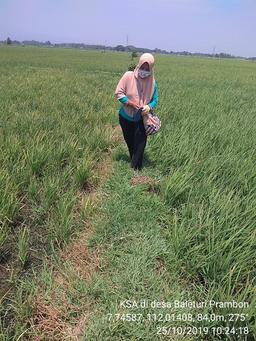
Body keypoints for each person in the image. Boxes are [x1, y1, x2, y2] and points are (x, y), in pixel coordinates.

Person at [114, 53, 158, 171]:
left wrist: (149, 106)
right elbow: (119, 93)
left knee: (140, 144)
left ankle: (135, 169)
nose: (144, 71)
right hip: (126, 117)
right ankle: (133, 162)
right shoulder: (128, 76)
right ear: (138, 65)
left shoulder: (152, 83)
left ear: (151, 69)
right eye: (142, 67)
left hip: (141, 118)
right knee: (130, 143)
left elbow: (155, 100)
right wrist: (130, 103)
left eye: (147, 69)